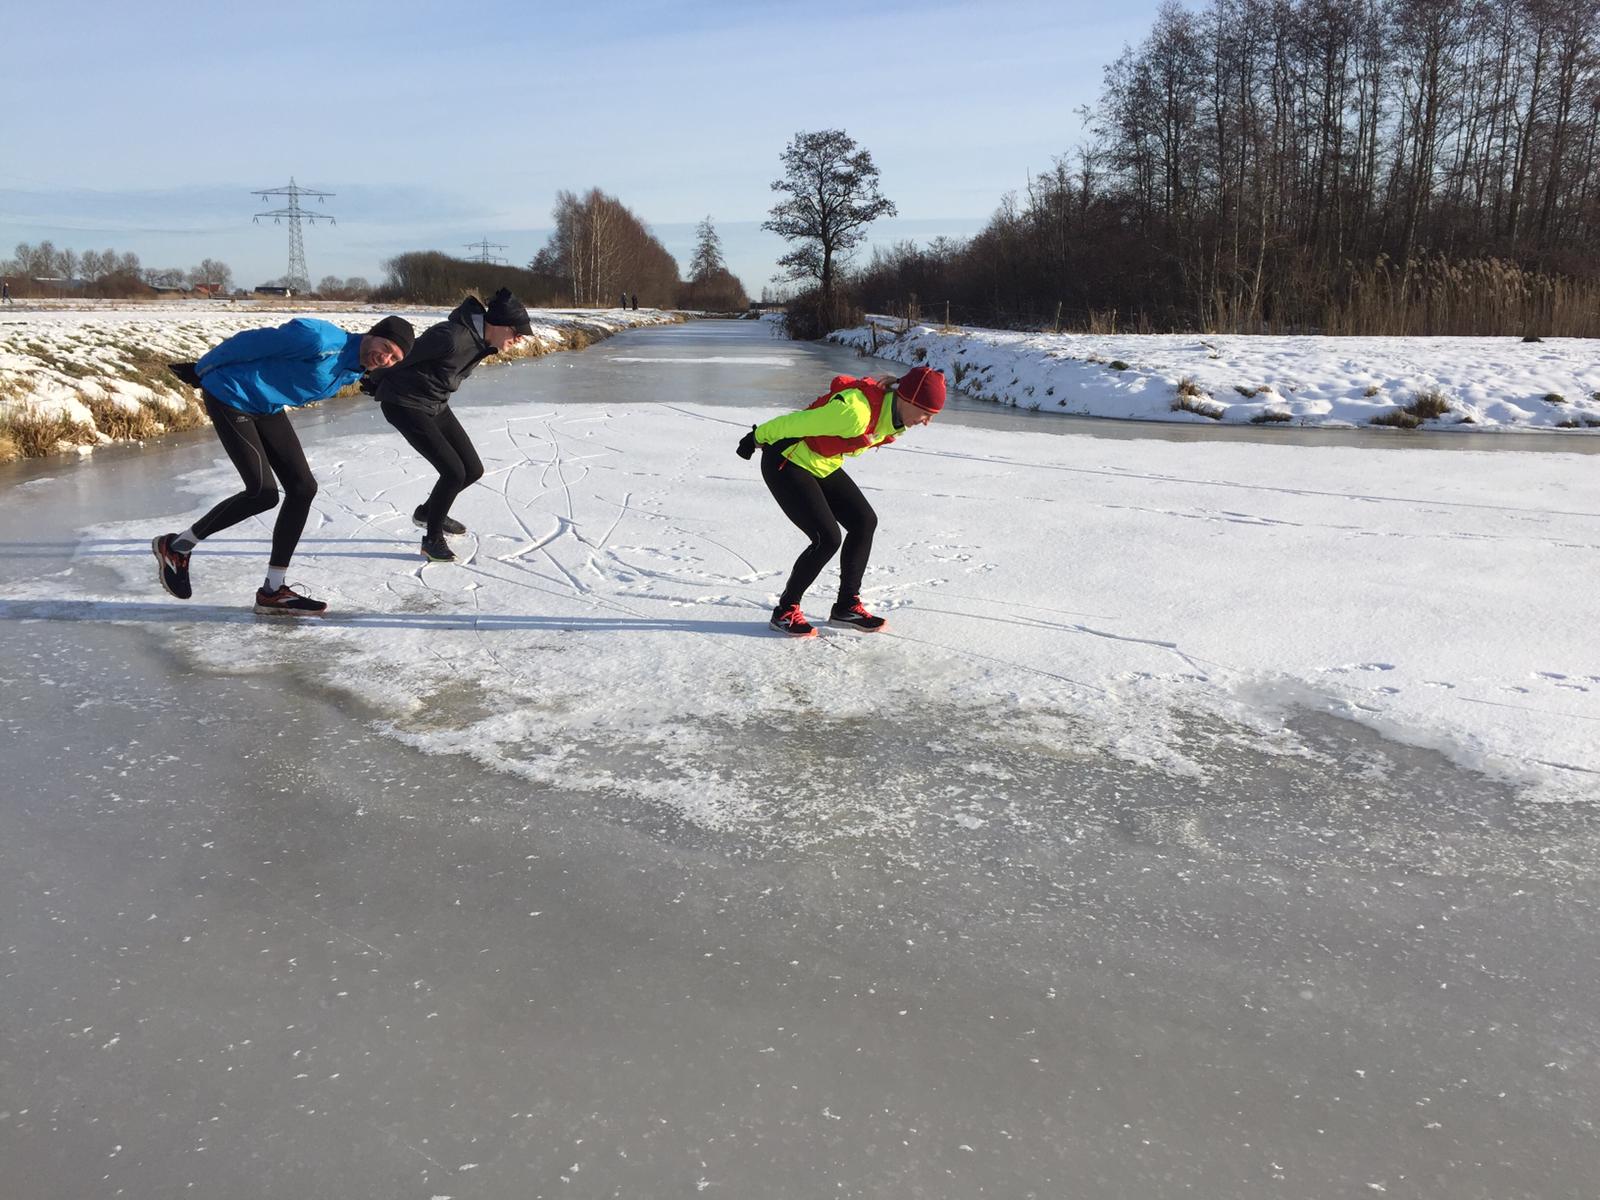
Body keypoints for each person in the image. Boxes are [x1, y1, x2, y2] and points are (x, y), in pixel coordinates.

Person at [151, 315, 414, 615]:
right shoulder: (319, 339)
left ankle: (272, 591)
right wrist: (203, 368)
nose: (385, 358)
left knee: (303, 489)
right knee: (262, 493)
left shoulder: (355, 367)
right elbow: (251, 342)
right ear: (372, 333)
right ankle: (176, 547)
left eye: (394, 358)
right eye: (386, 348)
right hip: (230, 394)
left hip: (266, 405)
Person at [736, 365, 946, 637]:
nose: (927, 421)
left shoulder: (892, 418)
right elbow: (795, 423)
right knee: (827, 538)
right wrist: (755, 437)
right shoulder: (854, 413)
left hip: (820, 462)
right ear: (907, 399)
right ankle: (785, 611)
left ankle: (846, 606)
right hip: (787, 460)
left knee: (863, 521)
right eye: (926, 413)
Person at [369, 287, 532, 562]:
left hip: (435, 403)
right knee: (453, 472)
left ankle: (428, 512)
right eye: (517, 332)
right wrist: (373, 380)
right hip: (404, 403)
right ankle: (432, 540)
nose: (519, 339)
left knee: (472, 470)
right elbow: (403, 356)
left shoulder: (482, 341)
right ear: (499, 325)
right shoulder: (451, 336)